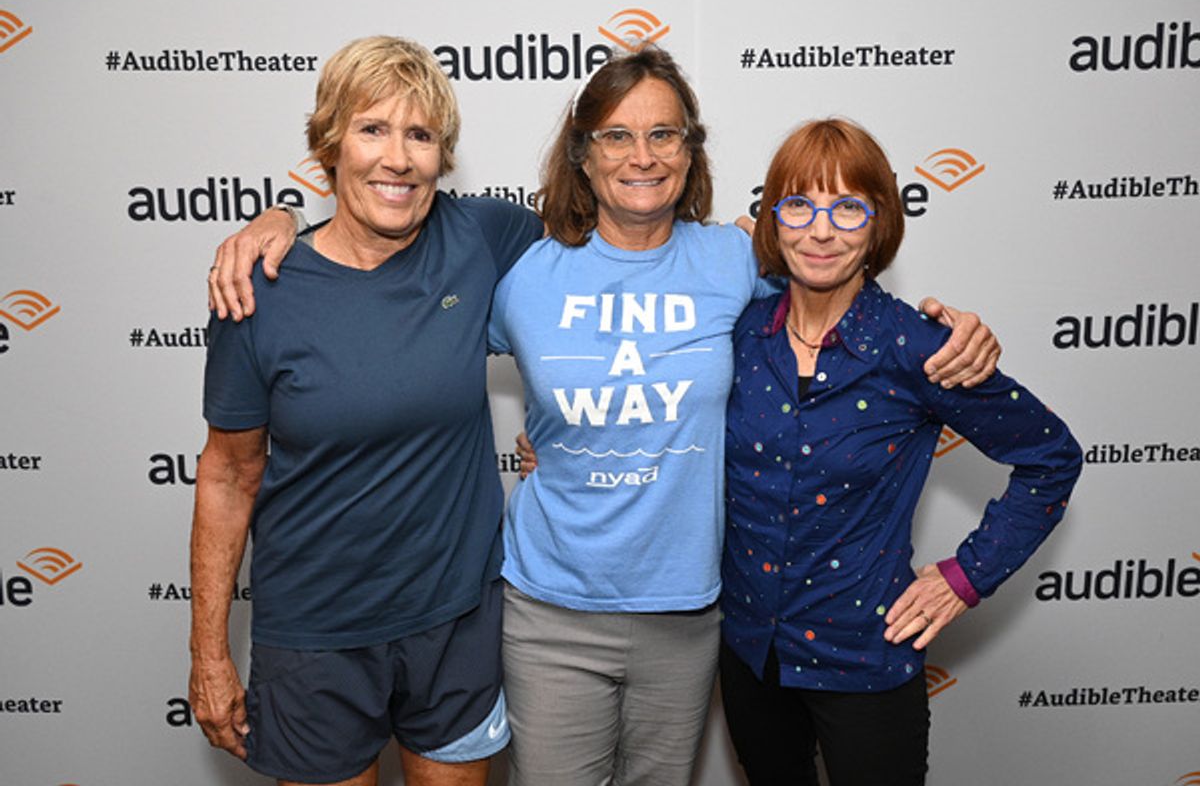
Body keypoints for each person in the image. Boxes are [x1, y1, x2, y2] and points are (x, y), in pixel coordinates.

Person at [208, 48, 999, 786]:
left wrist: (944, 328)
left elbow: (831, 292)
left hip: (685, 612)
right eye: (617, 135)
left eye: (664, 134)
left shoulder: (733, 260)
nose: (642, 155)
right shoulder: (523, 261)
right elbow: (383, 321)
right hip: (546, 606)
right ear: (582, 153)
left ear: (691, 151)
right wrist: (279, 221)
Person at [189, 36, 543, 786]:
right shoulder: (259, 290)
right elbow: (226, 476)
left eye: (419, 135)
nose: (398, 158)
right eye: (372, 129)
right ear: (331, 145)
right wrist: (208, 655)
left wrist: (749, 242)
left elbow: (614, 248)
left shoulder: (478, 235)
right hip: (317, 639)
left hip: (458, 623)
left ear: (442, 154)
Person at [717, 118, 1083, 786]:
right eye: (798, 205)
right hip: (748, 657)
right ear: (772, 219)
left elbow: (1051, 458)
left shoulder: (920, 347)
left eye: (847, 207)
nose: (820, 231)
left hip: (864, 660)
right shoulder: (738, 334)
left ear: (879, 223)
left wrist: (965, 577)